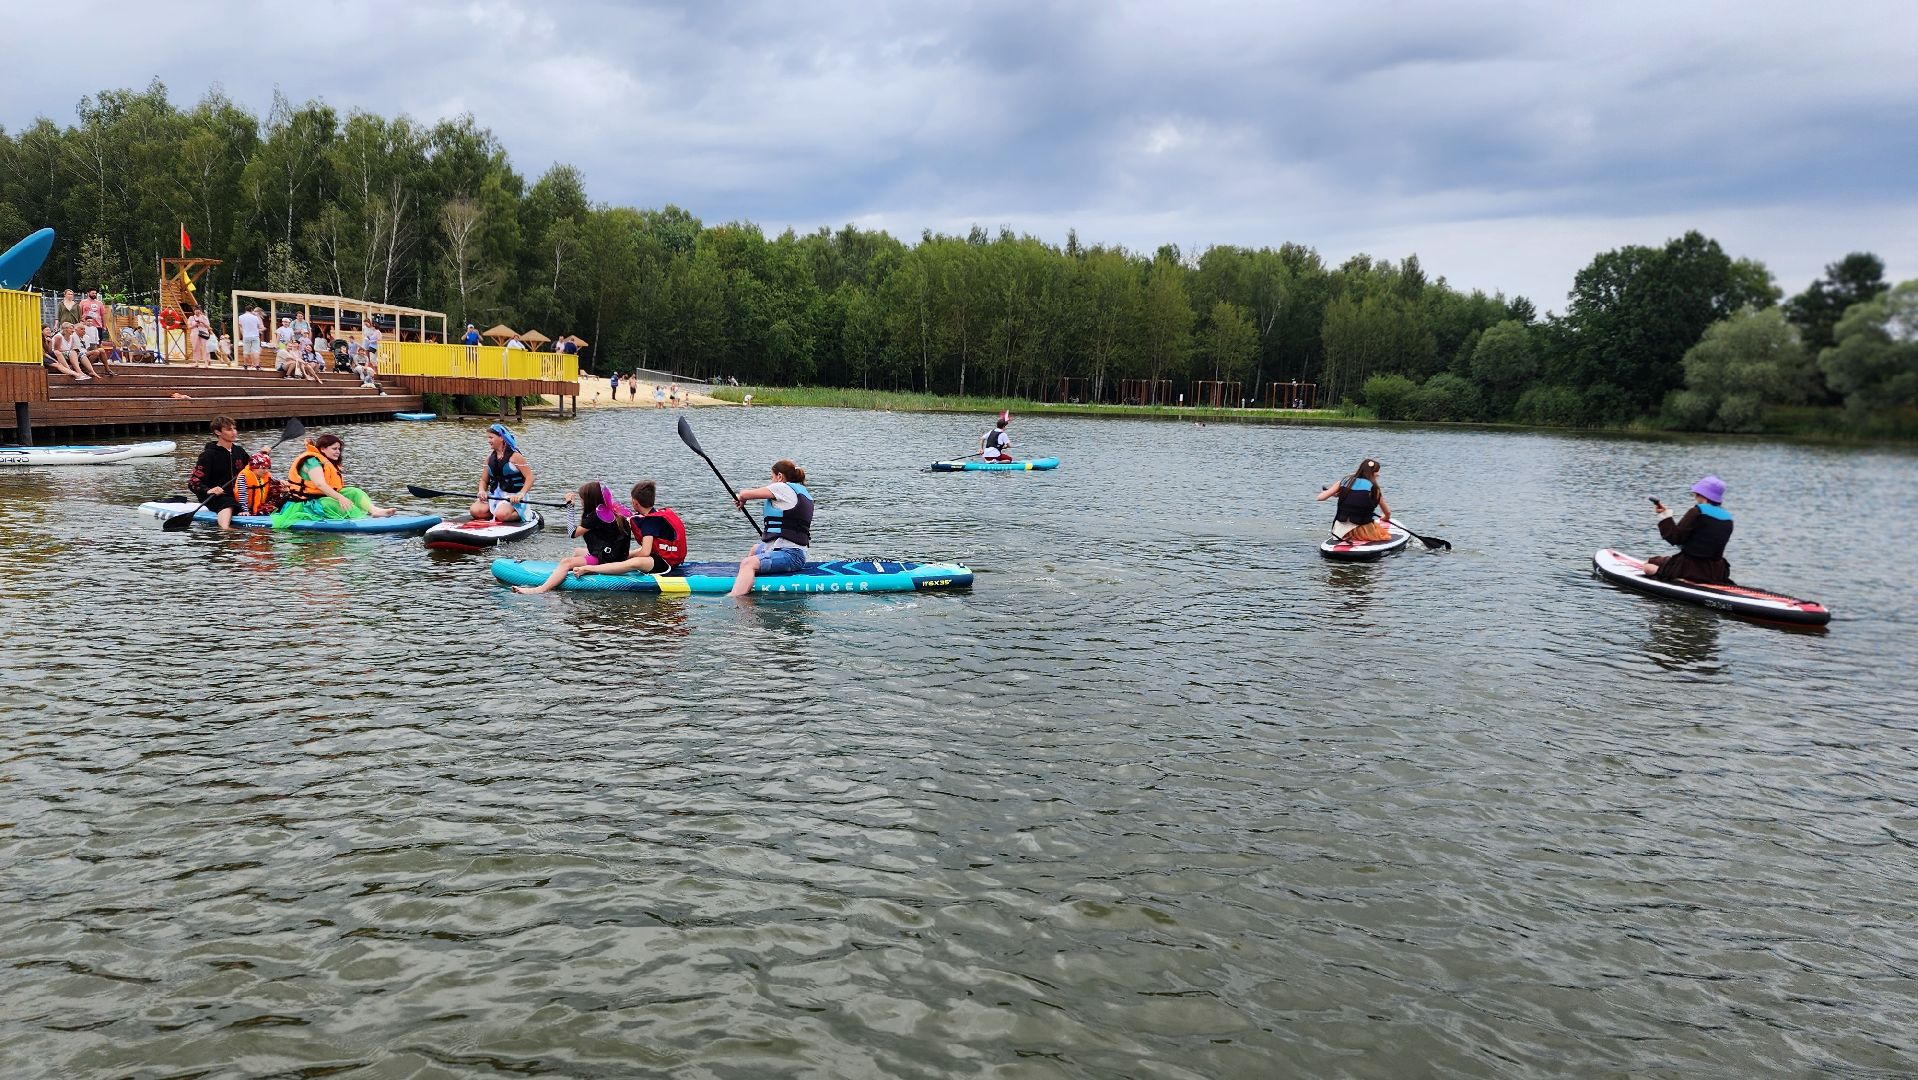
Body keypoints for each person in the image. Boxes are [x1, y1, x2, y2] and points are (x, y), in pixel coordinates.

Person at [511, 482, 632, 594]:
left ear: (589, 500)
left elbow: (572, 533)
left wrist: (570, 507)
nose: (582, 502)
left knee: (566, 562)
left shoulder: (597, 516)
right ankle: (562, 575)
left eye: (582, 499)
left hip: (607, 559)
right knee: (577, 551)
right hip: (617, 554)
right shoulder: (611, 512)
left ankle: (541, 589)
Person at [271, 433, 400, 526]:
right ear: (322, 449)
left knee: (354, 492)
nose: (338, 452)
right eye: (334, 449)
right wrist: (340, 497)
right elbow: (320, 485)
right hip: (304, 504)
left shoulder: (328, 462)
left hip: (320, 499)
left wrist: (342, 495)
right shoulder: (312, 461)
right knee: (337, 503)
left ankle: (375, 511)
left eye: (339, 449)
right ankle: (359, 522)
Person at [728, 460, 813, 597]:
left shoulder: (781, 487)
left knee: (748, 563)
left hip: (790, 555)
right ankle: (746, 579)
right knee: (756, 548)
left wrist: (741, 497)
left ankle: (736, 598)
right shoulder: (800, 491)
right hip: (792, 552)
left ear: (779, 476)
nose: (771, 481)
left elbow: (745, 493)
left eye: (771, 477)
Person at [574, 481, 688, 578]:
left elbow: (645, 552)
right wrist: (624, 555)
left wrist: (625, 560)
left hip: (665, 563)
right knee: (627, 556)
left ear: (635, 502)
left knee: (634, 563)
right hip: (667, 557)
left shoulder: (649, 522)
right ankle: (609, 562)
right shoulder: (655, 514)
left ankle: (590, 569)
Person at [1648, 476, 1735, 584]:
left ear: (1701, 494)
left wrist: (1665, 516)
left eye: (1695, 493)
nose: (1694, 496)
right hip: (1715, 571)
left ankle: (1681, 579)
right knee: (1659, 561)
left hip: (1688, 567)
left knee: (1648, 566)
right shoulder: (1728, 518)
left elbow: (1675, 538)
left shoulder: (1696, 511)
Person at [187, 416, 250, 530]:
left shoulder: (239, 451)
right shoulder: (208, 455)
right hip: (215, 496)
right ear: (217, 432)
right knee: (228, 502)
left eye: (234, 429)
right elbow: (193, 482)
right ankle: (225, 529)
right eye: (229, 429)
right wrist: (209, 490)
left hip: (237, 494)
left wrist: (263, 454)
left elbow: (253, 468)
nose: (234, 432)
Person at [1315, 457, 1393, 542]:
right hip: (1363, 530)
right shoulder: (1374, 489)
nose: (1378, 474)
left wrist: (1331, 494)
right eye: (1377, 471)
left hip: (1339, 530)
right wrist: (1386, 518)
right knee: (1383, 534)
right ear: (1373, 473)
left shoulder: (1345, 481)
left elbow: (1320, 498)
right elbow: (1387, 512)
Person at [471, 423, 536, 523]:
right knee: (475, 511)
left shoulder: (515, 457)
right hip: (495, 496)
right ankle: (497, 514)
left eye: (491, 437)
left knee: (502, 514)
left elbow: (530, 477)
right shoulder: (489, 459)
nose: (488, 441)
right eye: (488, 438)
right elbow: (483, 480)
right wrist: (482, 491)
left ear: (501, 438)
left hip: (514, 496)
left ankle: (525, 514)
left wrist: (521, 495)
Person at [235, 450, 284, 517]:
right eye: (263, 468)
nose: (266, 471)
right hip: (247, 508)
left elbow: (277, 480)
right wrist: (245, 511)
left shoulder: (266, 474)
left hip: (260, 505)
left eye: (268, 468)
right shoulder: (243, 476)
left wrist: (283, 483)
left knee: (277, 487)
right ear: (254, 467)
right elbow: (242, 497)